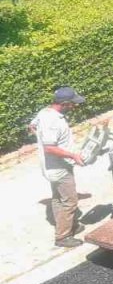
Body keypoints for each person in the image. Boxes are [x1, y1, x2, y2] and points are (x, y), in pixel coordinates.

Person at [30, 87, 87, 248]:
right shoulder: (53, 121)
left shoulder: (44, 113)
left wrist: (40, 138)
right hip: (59, 168)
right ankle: (63, 236)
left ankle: (67, 226)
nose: (74, 106)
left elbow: (32, 126)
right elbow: (50, 148)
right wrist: (73, 156)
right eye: (72, 104)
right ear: (65, 103)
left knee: (57, 198)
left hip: (49, 167)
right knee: (70, 201)